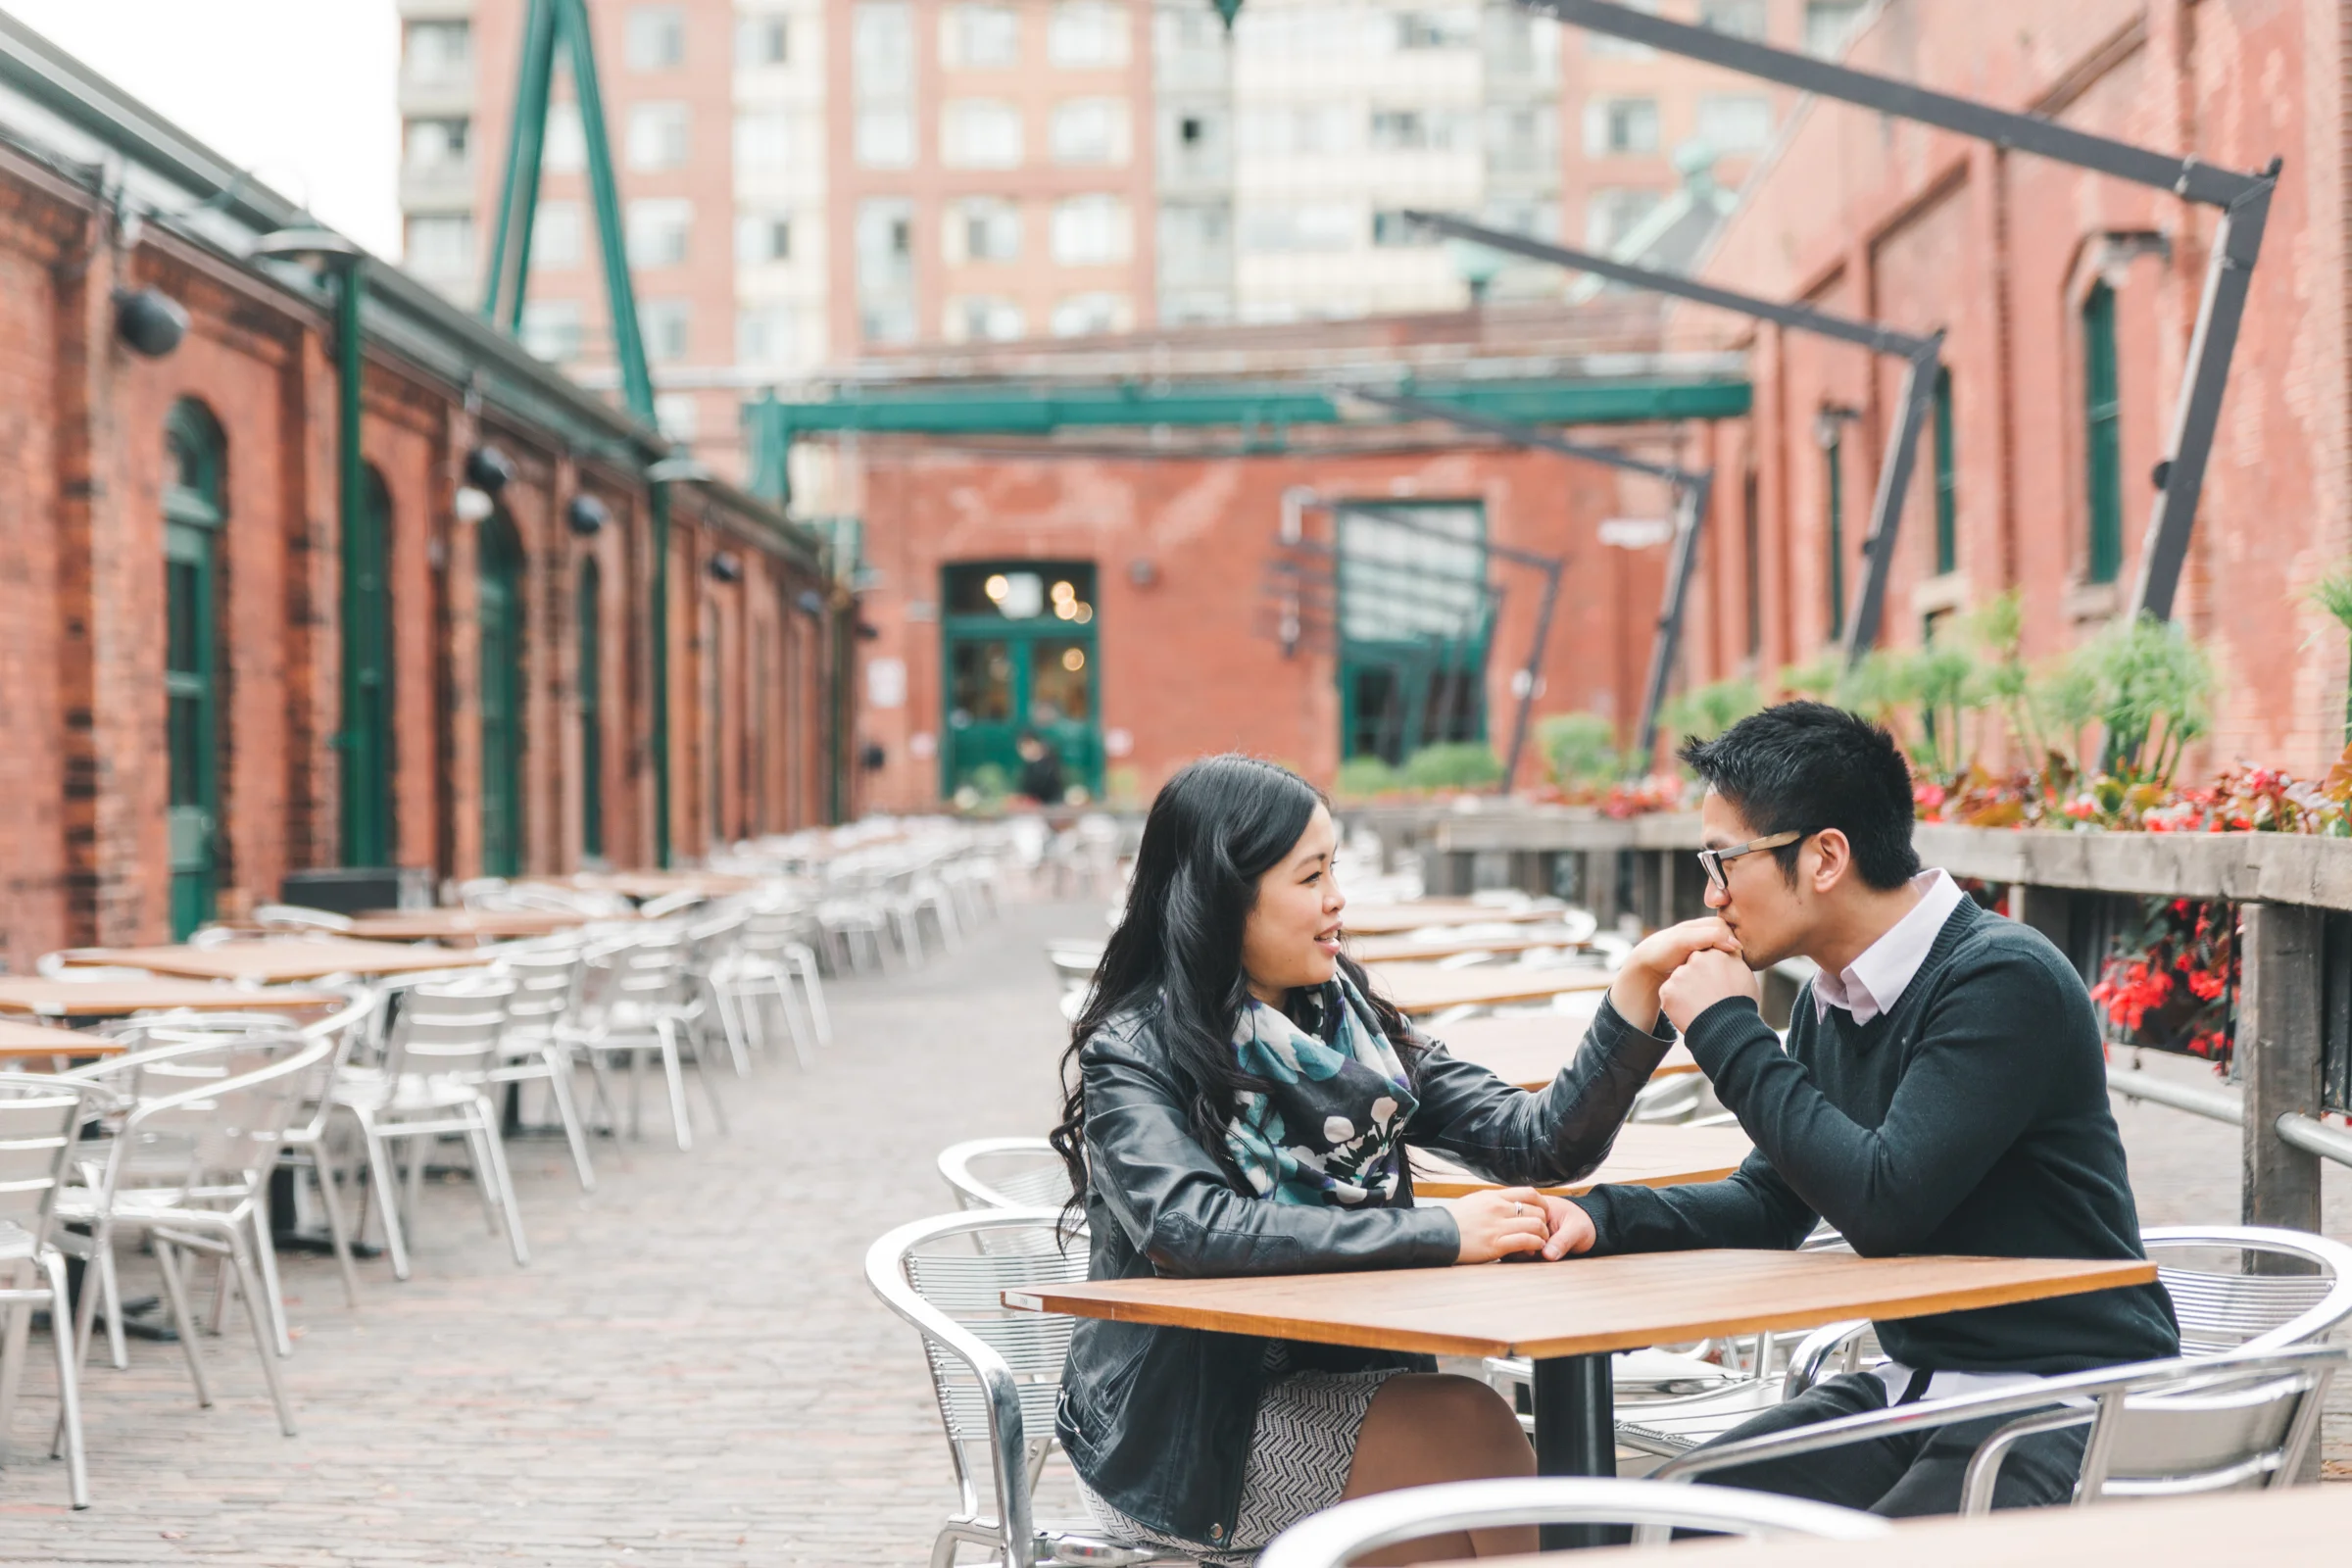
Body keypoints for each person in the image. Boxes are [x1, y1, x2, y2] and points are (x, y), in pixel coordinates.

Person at [1050, 754, 1731, 1565]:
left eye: (1333, 869)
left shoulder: (1349, 1029)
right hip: (1186, 1439)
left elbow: (1538, 1140)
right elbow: (1189, 1228)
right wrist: (1443, 1232)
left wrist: (1638, 989)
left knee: (1466, 1493)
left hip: (1353, 1388)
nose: (1338, 898)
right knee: (1468, 1426)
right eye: (1311, 876)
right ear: (1225, 895)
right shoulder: (1136, 1049)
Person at [1534, 702, 2180, 1515]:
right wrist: (1598, 1219)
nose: (1711, 893)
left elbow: (1885, 1202)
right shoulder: (1831, 998)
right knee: (1675, 1513)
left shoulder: (2001, 978)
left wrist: (1729, 1029)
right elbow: (1771, 1203)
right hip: (1918, 1382)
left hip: (2070, 1391)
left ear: (1826, 857)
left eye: (1724, 860)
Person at [1015, 729, 1065, 806]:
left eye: (1029, 745)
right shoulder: (1027, 768)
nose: (1027, 750)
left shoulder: (1049, 764)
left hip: (1051, 804)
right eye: (1023, 747)